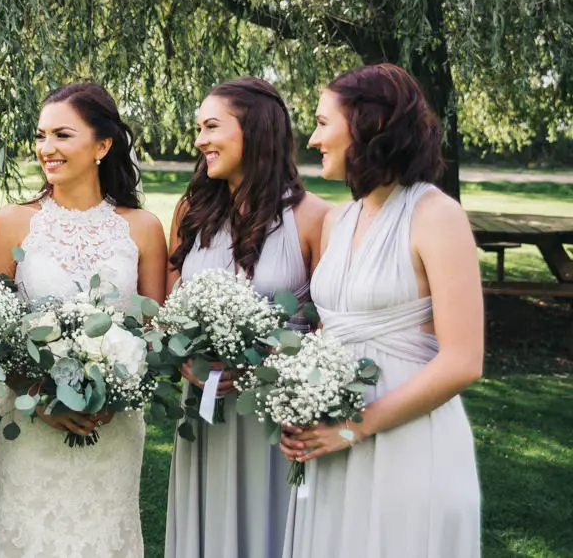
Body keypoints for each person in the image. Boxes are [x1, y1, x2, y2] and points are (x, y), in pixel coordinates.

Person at [281, 63, 482, 557]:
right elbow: (330, 333)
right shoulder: (337, 220)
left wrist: (356, 427)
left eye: (323, 122)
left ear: (368, 124)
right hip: (332, 440)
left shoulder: (437, 216)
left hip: (407, 441)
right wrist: (298, 401)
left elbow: (463, 361)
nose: (312, 138)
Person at [0, 83, 167, 558]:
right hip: (29, 423)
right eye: (41, 136)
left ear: (103, 145)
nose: (46, 149)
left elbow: (153, 335)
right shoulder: (10, 224)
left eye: (62, 135)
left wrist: (115, 394)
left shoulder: (142, 228)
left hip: (114, 427)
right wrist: (41, 400)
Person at [164, 77, 329, 558]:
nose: (200, 141)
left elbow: (331, 329)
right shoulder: (192, 212)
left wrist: (267, 362)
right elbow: (170, 311)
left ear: (254, 130)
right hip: (204, 413)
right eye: (198, 128)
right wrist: (184, 361)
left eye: (211, 126)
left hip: (274, 421)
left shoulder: (314, 218)